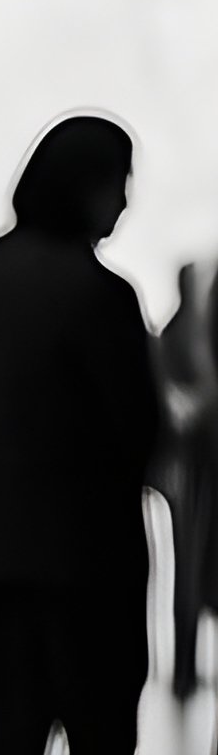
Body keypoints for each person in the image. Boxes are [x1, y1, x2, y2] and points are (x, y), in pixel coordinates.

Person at [0, 114, 159, 755]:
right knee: (98, 754)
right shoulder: (103, 296)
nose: (124, 202)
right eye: (118, 183)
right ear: (86, 188)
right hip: (87, 565)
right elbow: (138, 437)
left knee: (7, 754)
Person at [153, 259, 218, 702]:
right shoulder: (187, 334)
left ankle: (184, 668)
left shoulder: (179, 333)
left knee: (189, 570)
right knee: (190, 569)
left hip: (189, 469)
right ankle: (183, 669)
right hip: (191, 470)